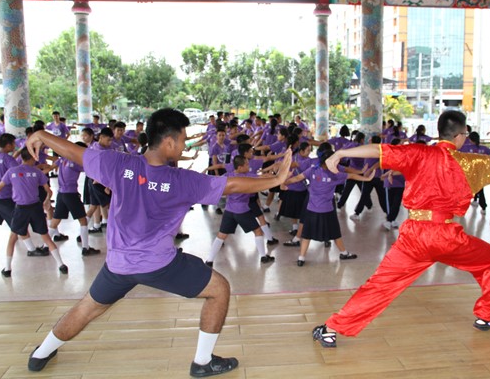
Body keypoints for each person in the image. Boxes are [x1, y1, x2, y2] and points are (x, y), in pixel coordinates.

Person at [24, 107, 292, 376]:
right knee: (219, 289)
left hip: (118, 264)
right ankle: (202, 362)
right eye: (183, 139)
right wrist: (276, 179)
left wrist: (41, 135)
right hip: (159, 264)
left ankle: (40, 353)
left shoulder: (118, 164)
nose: (184, 144)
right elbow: (231, 185)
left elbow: (75, 153)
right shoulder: (182, 180)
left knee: (87, 309)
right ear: (169, 142)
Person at [310, 110, 490, 348]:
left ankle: (331, 329)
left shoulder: (418, 153)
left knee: (379, 285)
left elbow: (377, 150)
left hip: (414, 236)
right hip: (448, 236)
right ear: (460, 136)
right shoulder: (470, 162)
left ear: (440, 133)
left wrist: (340, 152)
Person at [283, 148, 373, 266]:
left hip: (311, 209)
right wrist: (367, 178)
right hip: (327, 210)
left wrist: (284, 182)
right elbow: (351, 176)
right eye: (335, 161)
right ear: (329, 161)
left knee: (306, 234)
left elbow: (296, 178)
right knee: (335, 233)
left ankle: (301, 258)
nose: (337, 163)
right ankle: (344, 253)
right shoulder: (336, 175)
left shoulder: (313, 170)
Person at [0, 147, 68, 275]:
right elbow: (48, 191)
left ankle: (7, 269)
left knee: (13, 238)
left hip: (20, 209)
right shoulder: (36, 172)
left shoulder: (11, 172)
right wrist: (47, 201)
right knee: (46, 237)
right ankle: (61, 265)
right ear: (33, 157)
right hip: (36, 207)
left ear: (21, 158)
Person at [205, 155, 276, 267]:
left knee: (221, 235)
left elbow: (214, 184)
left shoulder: (227, 176)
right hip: (242, 211)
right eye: (247, 164)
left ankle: (209, 261)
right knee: (258, 231)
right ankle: (263, 257)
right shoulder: (247, 177)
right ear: (240, 167)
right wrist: (276, 175)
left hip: (229, 211)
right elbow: (263, 177)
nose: (249, 166)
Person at [47, 142, 100, 256]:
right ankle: (85, 248)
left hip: (61, 193)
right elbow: (89, 169)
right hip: (71, 194)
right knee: (83, 221)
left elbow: (51, 167)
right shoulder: (76, 162)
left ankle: (45, 246)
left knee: (56, 220)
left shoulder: (62, 159)